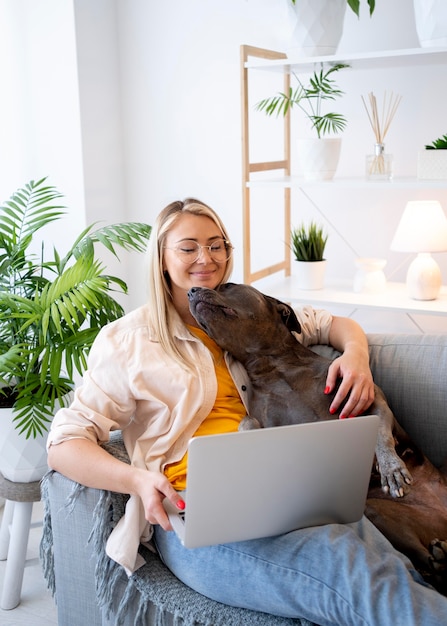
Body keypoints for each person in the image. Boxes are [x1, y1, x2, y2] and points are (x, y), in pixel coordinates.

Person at [47, 198, 447, 625]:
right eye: (188, 247)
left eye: (217, 245)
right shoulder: (128, 341)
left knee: (388, 566)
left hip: (294, 498)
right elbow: (63, 444)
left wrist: (356, 356)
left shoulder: (244, 316)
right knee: (352, 570)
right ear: (161, 258)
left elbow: (332, 324)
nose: (206, 257)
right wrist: (139, 480)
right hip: (199, 517)